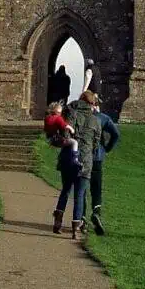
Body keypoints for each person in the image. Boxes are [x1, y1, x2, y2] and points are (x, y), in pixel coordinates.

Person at [53, 90, 101, 239]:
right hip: (85, 161)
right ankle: (75, 230)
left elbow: (64, 134)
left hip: (69, 157)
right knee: (80, 195)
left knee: (66, 189)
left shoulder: (70, 113)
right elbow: (96, 143)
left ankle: (58, 221)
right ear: (92, 104)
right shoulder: (96, 121)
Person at [88, 97, 120, 235]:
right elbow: (116, 134)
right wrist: (107, 148)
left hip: (82, 157)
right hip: (97, 157)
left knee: (81, 188)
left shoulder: (79, 117)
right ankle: (96, 212)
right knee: (96, 188)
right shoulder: (103, 118)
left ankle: (81, 218)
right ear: (96, 105)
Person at [43, 101, 80, 168]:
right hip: (58, 139)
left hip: (50, 139)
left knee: (64, 147)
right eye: (60, 112)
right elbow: (64, 125)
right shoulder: (58, 118)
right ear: (58, 111)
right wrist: (72, 129)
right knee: (74, 142)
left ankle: (60, 161)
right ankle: (75, 159)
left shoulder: (47, 118)